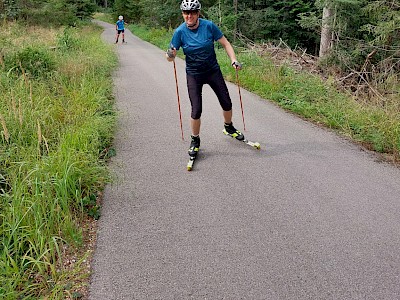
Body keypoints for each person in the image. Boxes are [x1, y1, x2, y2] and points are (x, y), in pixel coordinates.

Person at [166, 0, 244, 158]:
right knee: (196, 109)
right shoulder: (180, 32)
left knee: (226, 102)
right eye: (186, 13)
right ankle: (195, 140)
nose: (189, 16)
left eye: (193, 12)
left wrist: (233, 59)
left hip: (212, 71)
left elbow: (226, 43)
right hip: (194, 74)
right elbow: (170, 56)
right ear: (182, 14)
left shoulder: (209, 26)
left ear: (198, 13)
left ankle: (228, 127)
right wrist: (170, 54)